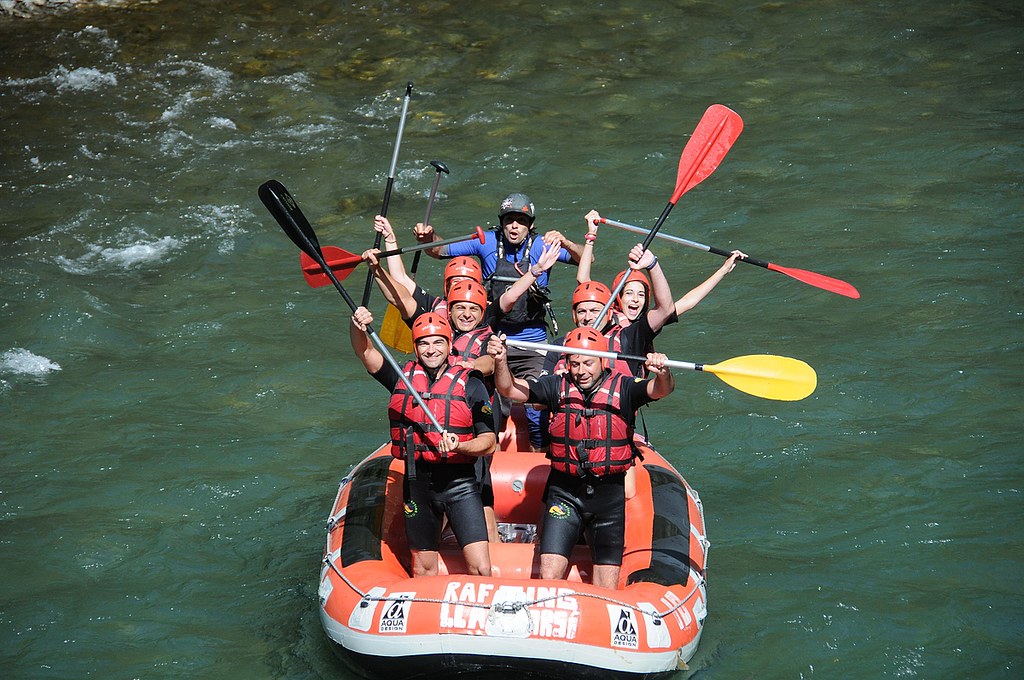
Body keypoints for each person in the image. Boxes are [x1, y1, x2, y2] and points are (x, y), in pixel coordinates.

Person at [487, 326, 674, 590]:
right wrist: (500, 360)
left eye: (588, 363)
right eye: (575, 364)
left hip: (608, 498)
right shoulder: (556, 386)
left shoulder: (625, 388)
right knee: (549, 575)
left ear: (602, 361)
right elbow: (509, 389)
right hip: (564, 493)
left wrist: (663, 371)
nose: (581, 370)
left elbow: (660, 390)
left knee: (606, 585)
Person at [414, 194, 584, 450]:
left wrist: (566, 242)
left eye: (521, 221)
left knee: (536, 409)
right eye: (509, 220)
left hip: (533, 342)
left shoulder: (542, 246)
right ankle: (484, 451)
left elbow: (586, 259)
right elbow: (438, 250)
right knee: (488, 402)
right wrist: (429, 236)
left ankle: (540, 454)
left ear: (530, 224)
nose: (514, 226)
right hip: (495, 341)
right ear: (501, 223)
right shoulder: (487, 242)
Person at [349, 307, 496, 577]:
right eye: (424, 343)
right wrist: (358, 326)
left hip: (460, 485)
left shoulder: (471, 383)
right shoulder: (401, 377)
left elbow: (489, 442)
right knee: (424, 567)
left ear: (449, 345)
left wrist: (460, 446)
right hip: (418, 484)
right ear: (416, 348)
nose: (431, 349)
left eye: (438, 341)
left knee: (481, 567)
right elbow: (366, 353)